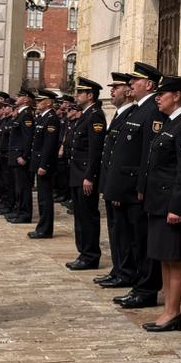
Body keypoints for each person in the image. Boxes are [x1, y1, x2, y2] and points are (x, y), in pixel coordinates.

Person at [139, 75, 181, 333]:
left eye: (162, 94)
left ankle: (173, 313)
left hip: (172, 203)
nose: (158, 99)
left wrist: (176, 206)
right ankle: (168, 310)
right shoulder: (170, 122)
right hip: (160, 200)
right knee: (164, 256)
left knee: (174, 257)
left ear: (177, 95)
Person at [109, 62, 164, 312]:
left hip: (137, 188)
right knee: (134, 240)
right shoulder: (137, 110)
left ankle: (147, 289)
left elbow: (148, 155)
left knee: (142, 241)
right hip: (128, 186)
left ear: (149, 85)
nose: (131, 84)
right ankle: (139, 284)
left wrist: (140, 186)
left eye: (136, 81)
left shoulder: (152, 109)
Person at [94, 73, 133, 289]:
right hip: (111, 183)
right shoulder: (119, 115)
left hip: (120, 186)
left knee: (122, 232)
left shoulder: (132, 114)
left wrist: (118, 187)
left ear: (128, 91)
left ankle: (124, 271)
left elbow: (127, 157)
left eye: (116, 87)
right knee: (114, 229)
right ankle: (118, 268)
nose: (112, 91)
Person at [65, 78, 106, 271]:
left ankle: (90, 255)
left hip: (85, 176)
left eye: (80, 93)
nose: (76, 96)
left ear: (90, 95)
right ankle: (83, 253)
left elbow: (95, 150)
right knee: (80, 217)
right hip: (77, 174)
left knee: (87, 217)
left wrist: (89, 176)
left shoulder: (95, 116)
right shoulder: (85, 115)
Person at [28, 89, 60, 239]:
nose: (37, 103)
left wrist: (43, 165)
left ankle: (45, 229)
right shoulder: (42, 117)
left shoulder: (52, 118)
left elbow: (49, 145)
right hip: (39, 162)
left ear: (48, 103)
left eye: (41, 101)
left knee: (45, 198)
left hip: (45, 165)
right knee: (41, 197)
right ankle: (42, 227)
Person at [6, 91, 36, 224]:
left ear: (26, 100)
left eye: (19, 96)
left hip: (20, 157)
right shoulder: (20, 114)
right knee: (18, 187)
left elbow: (28, 137)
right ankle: (19, 211)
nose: (16, 98)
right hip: (15, 155)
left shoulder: (27, 115)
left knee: (23, 187)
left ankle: (25, 214)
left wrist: (24, 156)